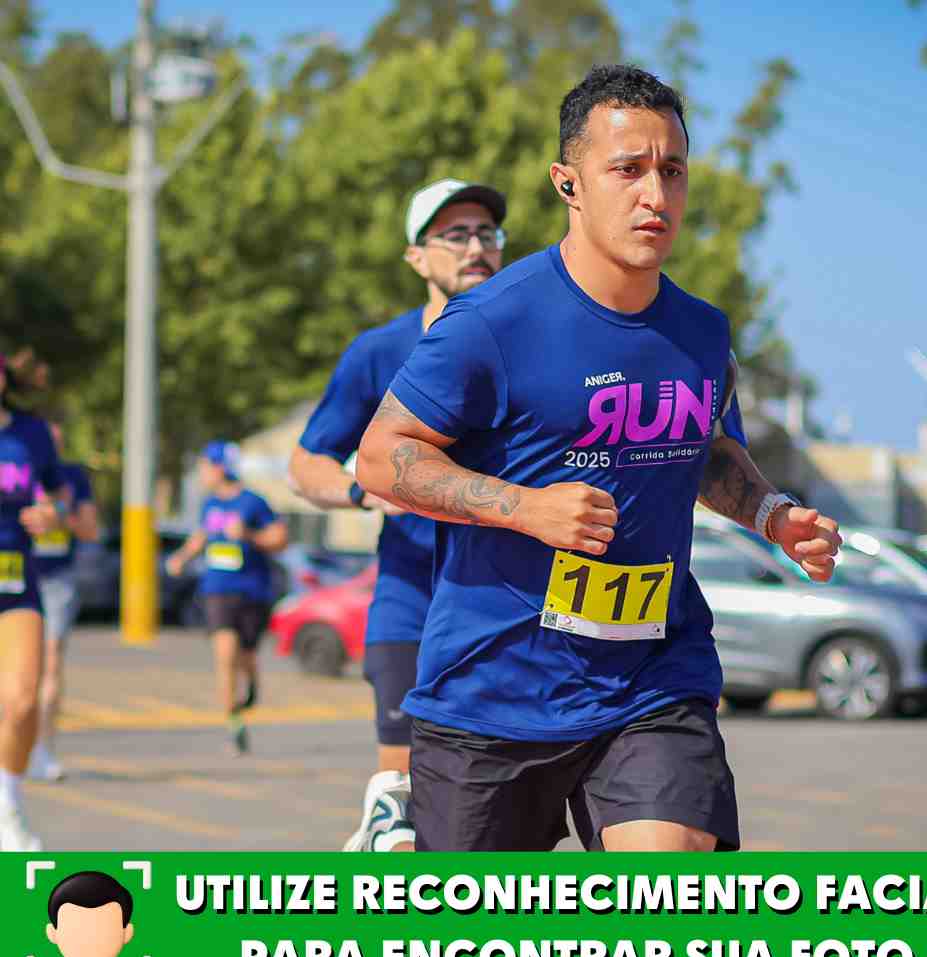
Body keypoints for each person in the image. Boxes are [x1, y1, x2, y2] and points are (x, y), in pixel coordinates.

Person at [356, 64, 843, 852]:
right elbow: (382, 460)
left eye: (672, 170)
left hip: (652, 679)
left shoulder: (702, 333)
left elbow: (710, 451)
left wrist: (771, 515)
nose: (656, 195)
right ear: (568, 184)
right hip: (492, 691)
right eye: (628, 169)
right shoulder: (491, 322)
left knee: (667, 897)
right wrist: (525, 507)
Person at [289, 178, 507, 852]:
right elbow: (307, 463)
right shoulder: (379, 352)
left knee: (494, 814)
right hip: (412, 596)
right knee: (407, 798)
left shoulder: (530, 338)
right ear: (417, 257)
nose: (475, 246)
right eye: (455, 234)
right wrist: (362, 490)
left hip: (510, 600)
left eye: (487, 233)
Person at [166, 442, 288, 755]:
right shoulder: (209, 504)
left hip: (252, 591)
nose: (202, 472)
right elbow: (202, 535)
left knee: (245, 656)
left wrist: (249, 535)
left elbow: (280, 538)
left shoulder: (253, 502)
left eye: (205, 466)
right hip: (217, 589)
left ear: (221, 468)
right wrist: (182, 557)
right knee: (224, 654)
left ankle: (252, 682)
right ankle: (234, 725)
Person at [0, 353, 67, 850]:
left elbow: (59, 497)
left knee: (23, 702)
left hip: (15, 576)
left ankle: (7, 807)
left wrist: (50, 514)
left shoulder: (32, 434)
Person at [30, 417, 100, 782]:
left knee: (51, 662)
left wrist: (58, 516)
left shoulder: (72, 478)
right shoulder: (14, 467)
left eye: (54, 441)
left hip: (57, 581)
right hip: (13, 574)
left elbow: (90, 529)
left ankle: (43, 750)